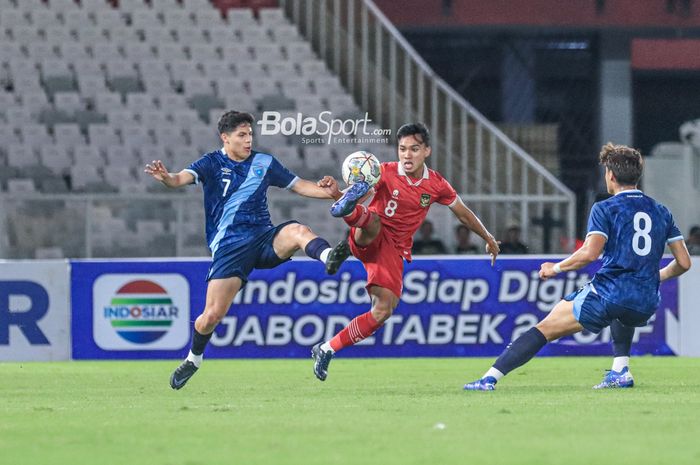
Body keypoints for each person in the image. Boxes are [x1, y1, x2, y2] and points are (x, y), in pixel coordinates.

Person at [464, 142, 691, 391]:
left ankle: (489, 379)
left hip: (609, 294)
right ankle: (620, 371)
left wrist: (555, 268)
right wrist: (653, 278)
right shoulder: (662, 211)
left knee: (545, 328)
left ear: (611, 175)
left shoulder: (605, 208)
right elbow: (683, 263)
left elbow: (589, 254)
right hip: (645, 301)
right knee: (624, 308)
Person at [145, 110, 346, 390]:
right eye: (241, 135)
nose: (248, 139)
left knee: (298, 231)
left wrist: (334, 192)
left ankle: (329, 257)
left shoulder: (264, 162)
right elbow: (179, 179)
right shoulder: (211, 163)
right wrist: (166, 177)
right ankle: (194, 359)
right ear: (225, 138)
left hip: (264, 238)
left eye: (250, 134)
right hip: (229, 247)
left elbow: (301, 187)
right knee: (211, 317)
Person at [311, 122, 501, 381]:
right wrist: (338, 195)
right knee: (372, 219)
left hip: (393, 250)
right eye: (402, 149)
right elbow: (358, 196)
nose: (407, 155)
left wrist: (487, 237)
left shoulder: (436, 185)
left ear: (427, 151)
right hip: (369, 232)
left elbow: (464, 214)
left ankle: (326, 348)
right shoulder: (383, 172)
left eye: (414, 149)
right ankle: (350, 230)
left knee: (383, 311)